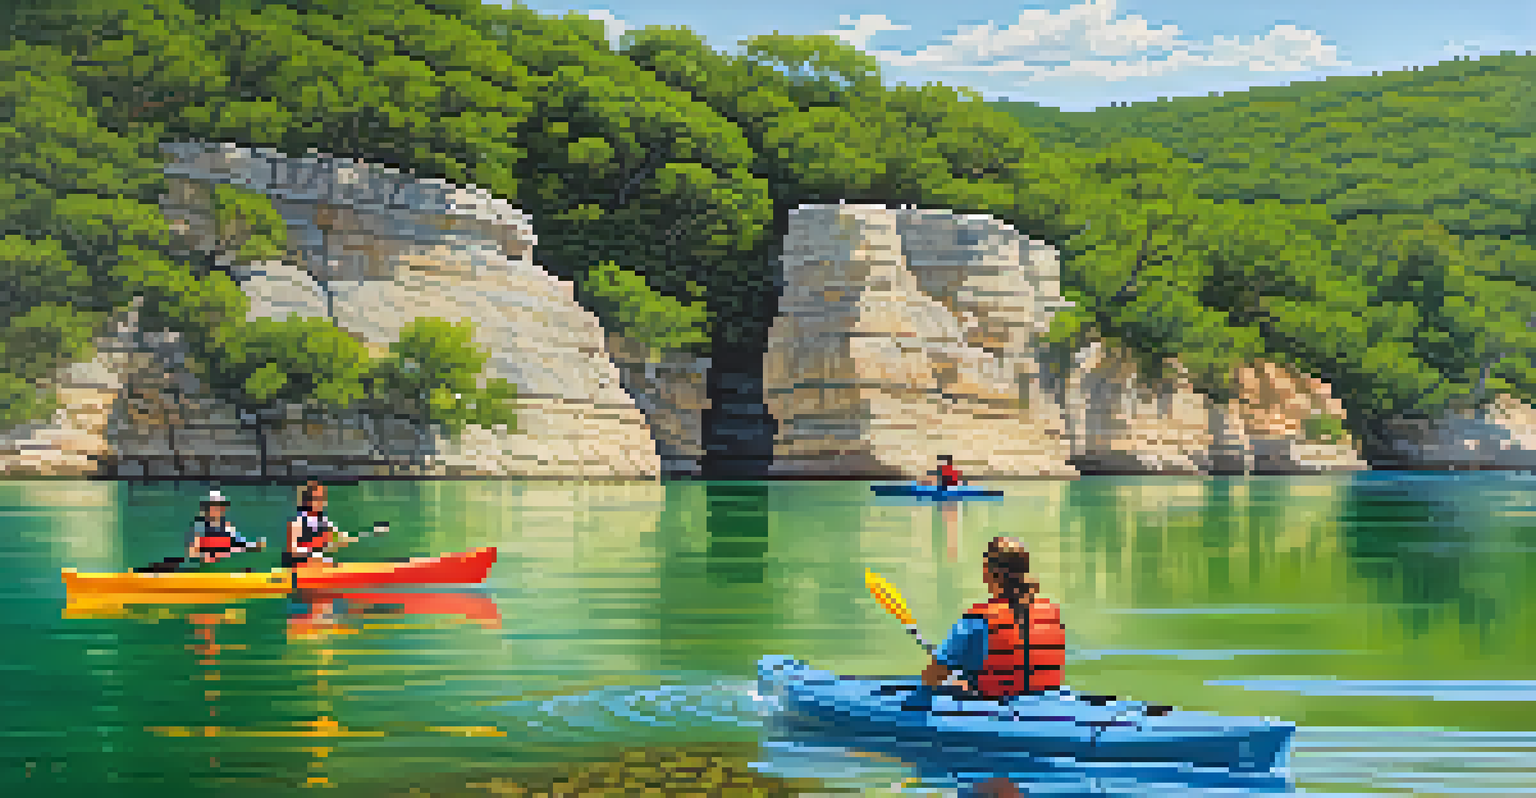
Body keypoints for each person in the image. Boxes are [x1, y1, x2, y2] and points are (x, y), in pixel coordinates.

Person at [905, 536, 1065, 708]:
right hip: (1050, 702)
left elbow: (932, 677)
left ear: (990, 574)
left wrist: (948, 678)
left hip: (997, 709)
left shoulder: (975, 621)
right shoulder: (1051, 613)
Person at [282, 480, 356, 569]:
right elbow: (293, 552)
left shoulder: (325, 523)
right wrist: (316, 544)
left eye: (322, 498)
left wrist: (341, 540)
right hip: (302, 569)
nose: (321, 503)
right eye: (317, 499)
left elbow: (339, 540)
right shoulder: (297, 524)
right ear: (307, 501)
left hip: (323, 568)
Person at [185, 489, 265, 565]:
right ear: (207, 508)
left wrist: (255, 546)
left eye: (220, 506)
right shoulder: (200, 526)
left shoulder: (228, 527)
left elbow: (242, 545)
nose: (217, 510)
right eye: (213, 506)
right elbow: (193, 553)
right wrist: (209, 557)